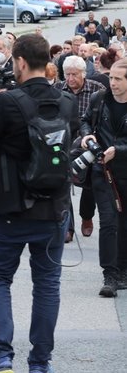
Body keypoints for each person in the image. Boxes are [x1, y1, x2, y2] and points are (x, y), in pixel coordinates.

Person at [0, 33, 75, 373]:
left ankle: (1, 356)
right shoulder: (66, 102)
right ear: (48, 63)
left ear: (18, 62)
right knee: (47, 283)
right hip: (53, 208)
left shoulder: (7, 102)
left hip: (12, 206)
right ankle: (40, 364)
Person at [80, 58, 127, 298]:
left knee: (124, 221)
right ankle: (109, 274)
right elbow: (85, 121)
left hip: (124, 169)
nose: (113, 83)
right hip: (102, 171)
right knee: (109, 221)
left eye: (119, 79)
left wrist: (118, 150)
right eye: (111, 78)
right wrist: (87, 136)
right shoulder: (100, 99)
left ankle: (123, 270)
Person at [57, 56, 105, 241]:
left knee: (89, 184)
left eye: (74, 74)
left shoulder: (97, 90)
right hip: (63, 144)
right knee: (63, 183)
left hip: (88, 145)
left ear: (83, 74)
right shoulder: (57, 89)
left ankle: (86, 216)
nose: (70, 79)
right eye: (67, 74)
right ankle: (67, 227)